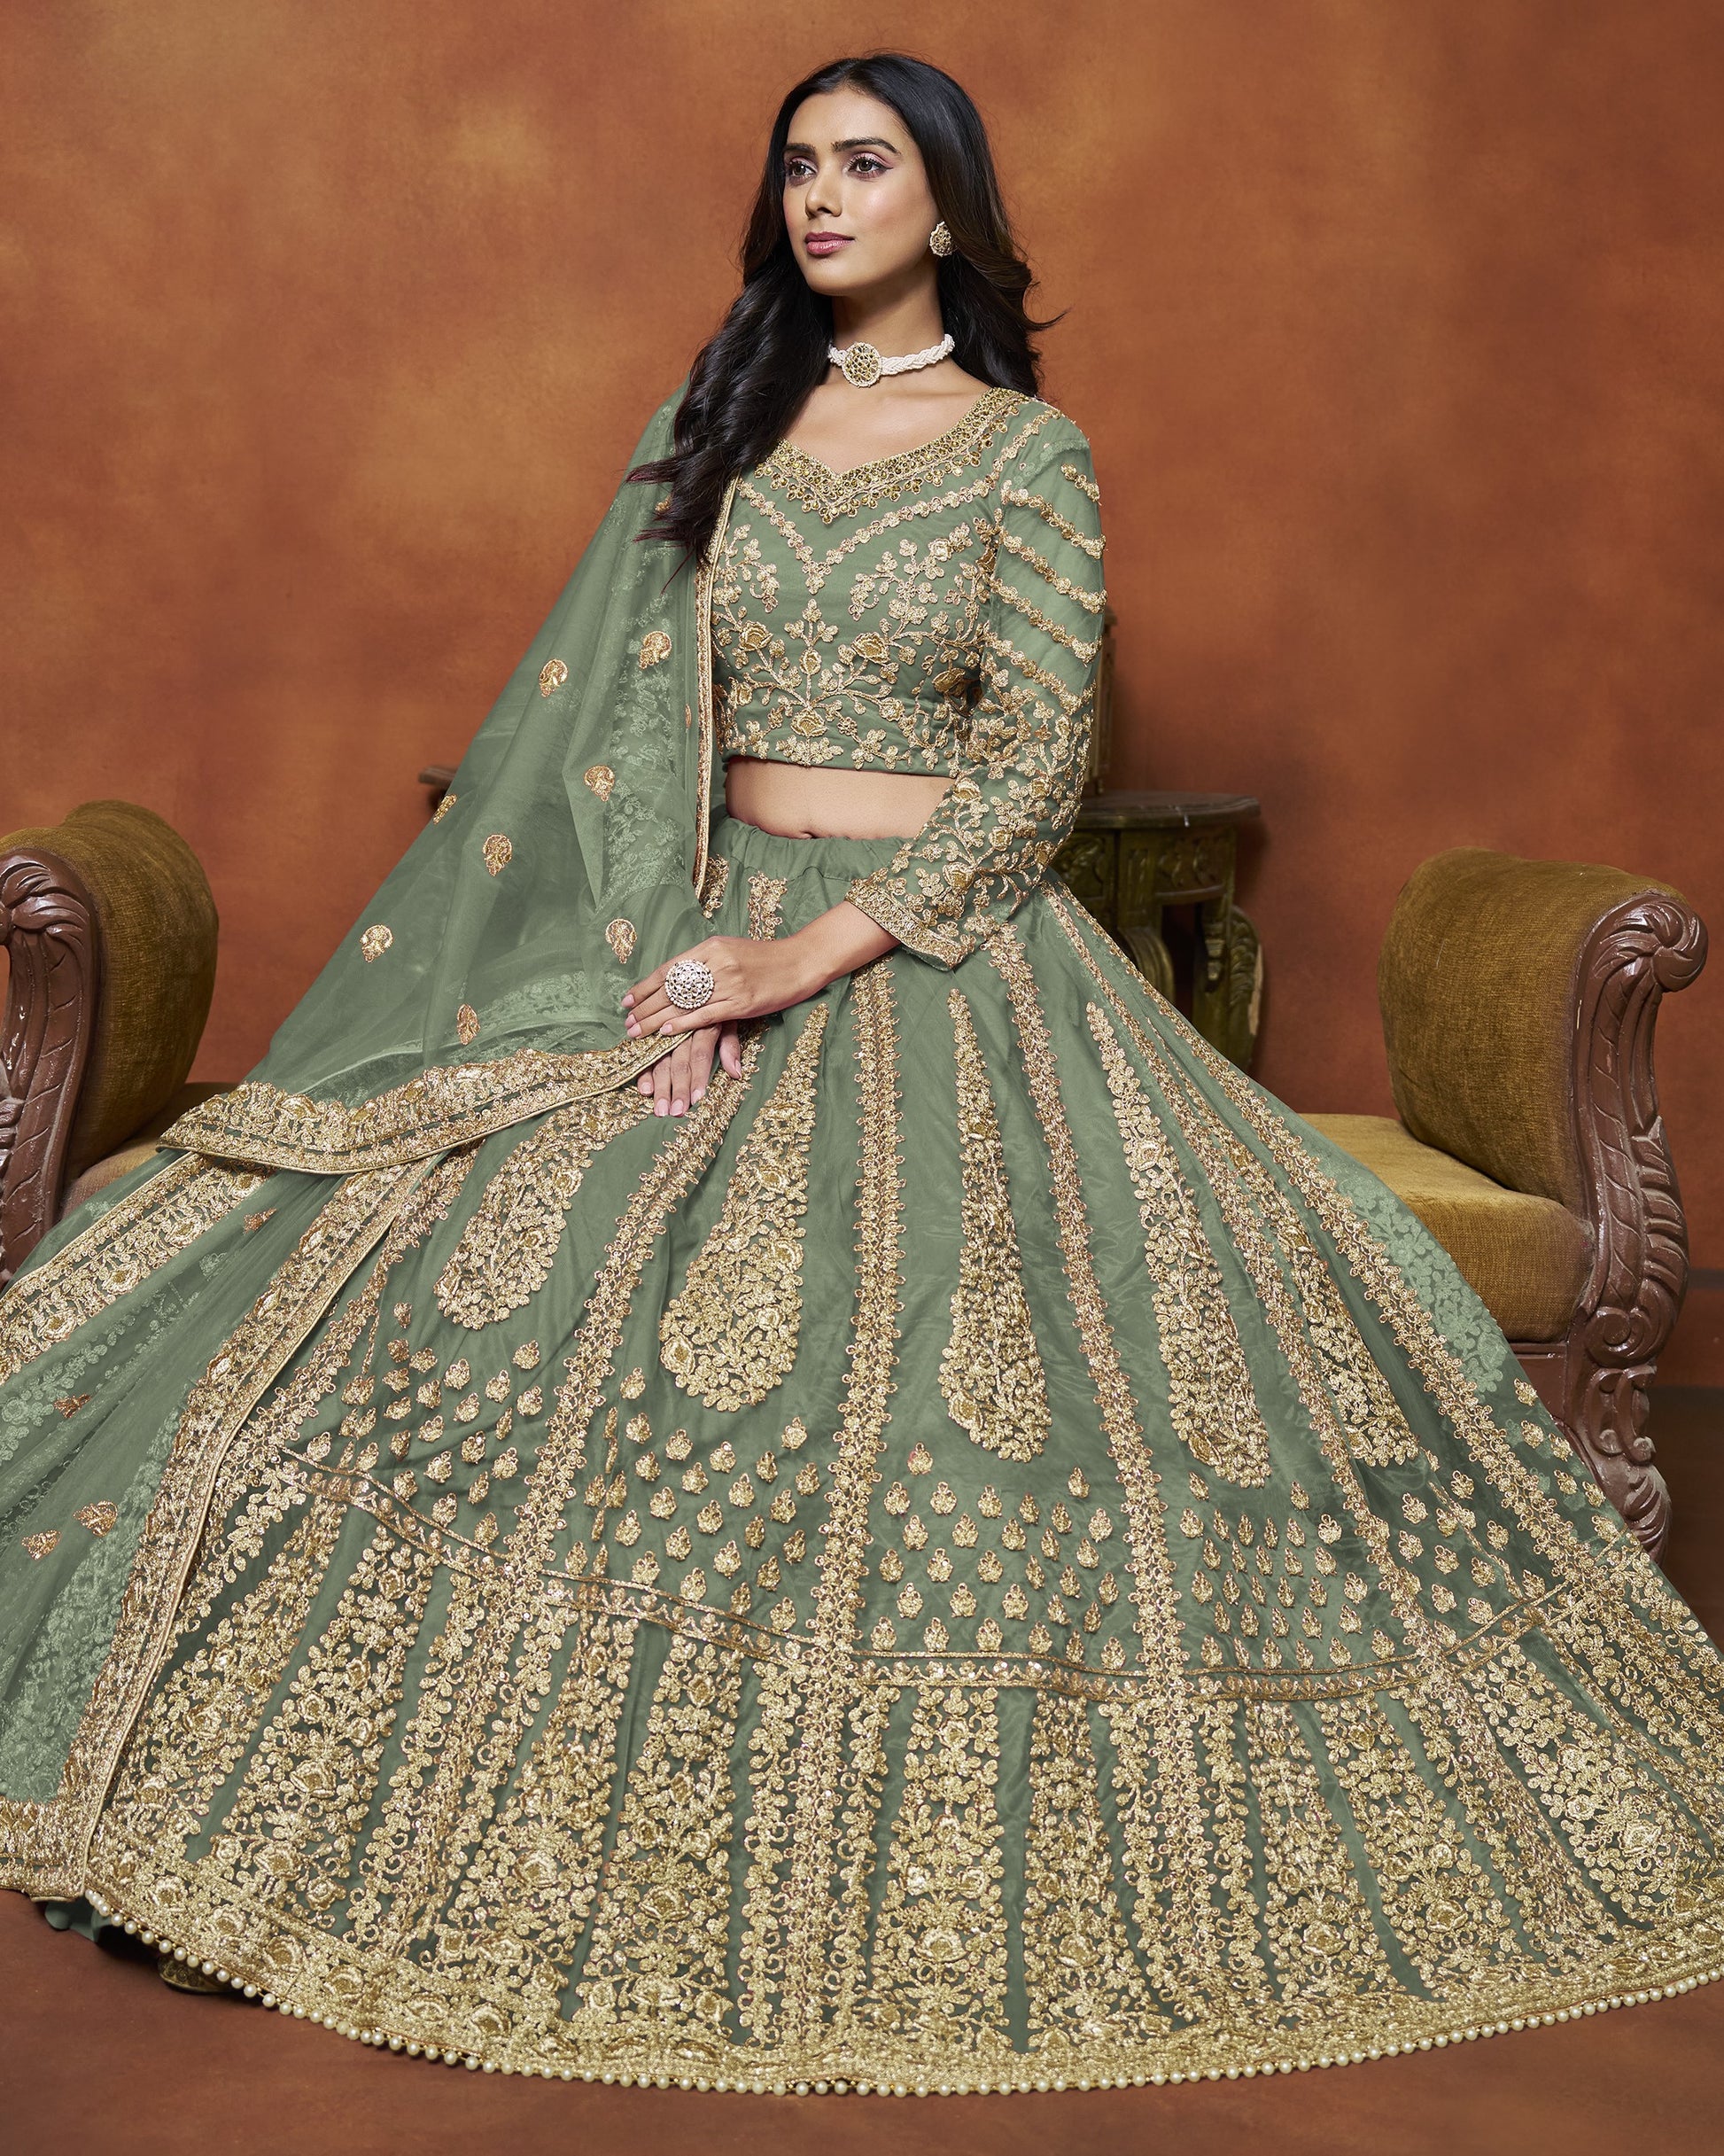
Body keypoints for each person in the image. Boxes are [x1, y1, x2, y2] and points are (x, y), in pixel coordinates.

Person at [2, 50, 1720, 2101]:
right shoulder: (722, 424)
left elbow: (1031, 770)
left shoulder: (1025, 456)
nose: (822, 197)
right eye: (799, 166)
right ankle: (300, 1808)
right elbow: (613, 735)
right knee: (513, 1255)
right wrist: (680, 959)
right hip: (701, 918)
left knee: (961, 1321)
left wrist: (811, 951)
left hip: (938, 948)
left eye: (866, 163)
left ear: (948, 204)